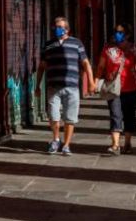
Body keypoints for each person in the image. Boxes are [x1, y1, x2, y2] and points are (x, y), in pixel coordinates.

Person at [35, 16, 95, 155]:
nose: (58, 29)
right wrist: (37, 86)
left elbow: (85, 63)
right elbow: (42, 66)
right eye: (56, 27)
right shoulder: (48, 45)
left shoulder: (77, 43)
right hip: (53, 86)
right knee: (54, 116)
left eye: (60, 27)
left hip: (72, 86)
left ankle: (66, 145)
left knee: (70, 118)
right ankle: (56, 139)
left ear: (67, 29)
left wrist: (91, 82)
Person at [95, 23, 136, 155]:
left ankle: (127, 143)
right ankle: (115, 145)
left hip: (131, 87)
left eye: (121, 32)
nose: (118, 34)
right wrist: (95, 81)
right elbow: (101, 66)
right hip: (113, 88)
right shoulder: (108, 49)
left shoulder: (133, 49)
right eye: (116, 32)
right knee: (115, 115)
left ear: (127, 34)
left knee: (129, 116)